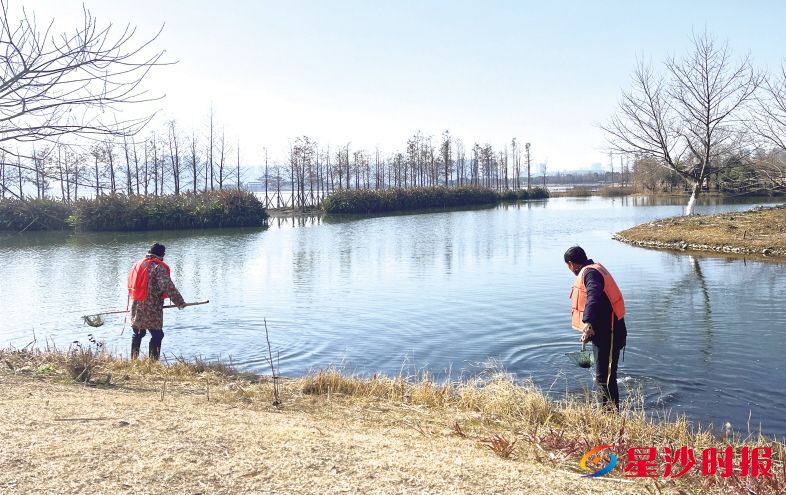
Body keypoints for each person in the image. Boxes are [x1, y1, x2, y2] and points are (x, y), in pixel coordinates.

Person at [564, 246, 627, 410]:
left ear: (571, 264)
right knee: (605, 376)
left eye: (568, 267)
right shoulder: (593, 269)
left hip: (610, 333)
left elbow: (594, 296)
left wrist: (587, 322)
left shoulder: (590, 273)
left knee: (604, 378)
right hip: (606, 331)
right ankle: (608, 413)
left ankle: (609, 416)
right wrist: (589, 329)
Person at [127, 242, 186, 360]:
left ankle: (133, 361)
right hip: (151, 307)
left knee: (138, 333)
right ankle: (153, 363)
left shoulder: (137, 265)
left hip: (136, 305)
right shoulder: (158, 267)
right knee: (158, 335)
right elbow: (167, 285)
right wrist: (179, 302)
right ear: (162, 254)